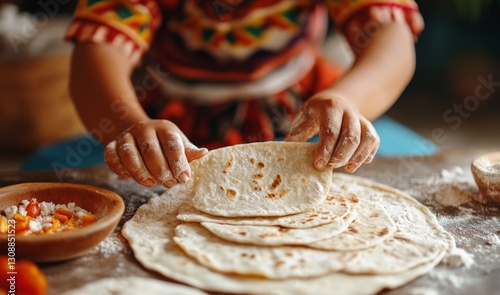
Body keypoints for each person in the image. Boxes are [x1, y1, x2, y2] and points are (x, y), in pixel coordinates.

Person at [65, 0, 424, 188]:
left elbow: (390, 37)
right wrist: (131, 126)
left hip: (305, 112)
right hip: (173, 127)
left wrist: (349, 99)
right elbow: (96, 58)